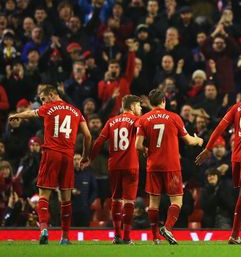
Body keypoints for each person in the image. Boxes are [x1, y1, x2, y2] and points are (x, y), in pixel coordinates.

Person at [8, 85, 92, 245]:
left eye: (43, 99)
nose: (42, 102)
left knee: (44, 195)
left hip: (51, 154)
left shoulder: (49, 108)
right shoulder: (76, 111)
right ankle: (65, 237)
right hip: (68, 156)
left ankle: (44, 229)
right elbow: (88, 136)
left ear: (52, 95)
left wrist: (17, 115)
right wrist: (85, 156)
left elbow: (30, 114)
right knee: (66, 198)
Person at [195, 78, 241, 245]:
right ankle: (235, 236)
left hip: (236, 156)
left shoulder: (237, 107)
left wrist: (208, 148)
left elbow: (219, 128)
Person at [136, 88, 203, 245]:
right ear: (164, 101)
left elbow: (138, 145)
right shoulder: (174, 117)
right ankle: (167, 227)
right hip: (171, 165)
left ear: (151, 103)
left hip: (153, 166)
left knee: (153, 203)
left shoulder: (144, 119)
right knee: (176, 201)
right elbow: (188, 141)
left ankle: (155, 238)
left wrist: (146, 150)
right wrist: (199, 140)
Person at [90, 95, 143, 244]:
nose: (140, 109)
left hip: (114, 166)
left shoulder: (111, 121)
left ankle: (117, 236)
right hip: (130, 166)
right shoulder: (136, 120)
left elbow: (99, 141)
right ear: (132, 107)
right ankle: (126, 237)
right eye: (139, 106)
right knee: (129, 202)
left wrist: (90, 158)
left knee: (116, 199)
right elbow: (145, 131)